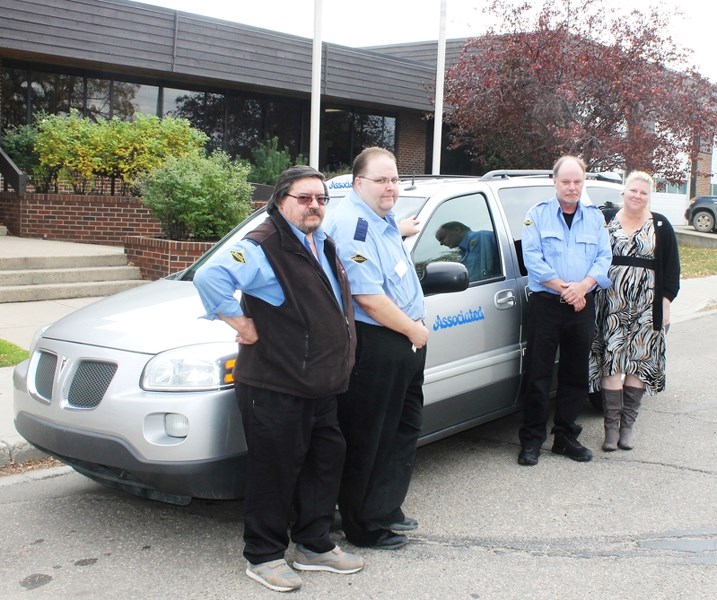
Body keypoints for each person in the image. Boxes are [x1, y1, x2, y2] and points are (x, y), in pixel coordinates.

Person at [193, 165, 363, 593]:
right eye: (304, 198)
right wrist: (243, 326)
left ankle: (314, 545)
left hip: (319, 383)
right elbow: (210, 276)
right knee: (275, 471)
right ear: (280, 200)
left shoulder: (319, 241)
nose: (314, 206)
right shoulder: (264, 243)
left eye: (321, 199)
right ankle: (264, 555)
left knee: (326, 462)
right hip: (275, 384)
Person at [325, 147, 428, 550]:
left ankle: (385, 508)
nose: (390, 187)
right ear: (357, 184)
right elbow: (367, 297)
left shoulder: (382, 221)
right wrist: (415, 331)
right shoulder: (355, 225)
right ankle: (364, 525)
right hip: (379, 342)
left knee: (401, 430)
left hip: (402, 339)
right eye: (381, 180)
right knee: (372, 437)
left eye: (394, 179)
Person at [517, 155, 612, 466]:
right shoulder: (537, 215)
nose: (572, 187)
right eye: (566, 181)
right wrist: (567, 289)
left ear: (582, 183)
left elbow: (603, 259)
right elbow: (533, 260)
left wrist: (582, 287)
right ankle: (531, 440)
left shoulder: (595, 218)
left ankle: (566, 438)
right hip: (547, 305)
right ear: (554, 181)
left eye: (577, 181)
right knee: (538, 375)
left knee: (575, 374)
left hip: (582, 305)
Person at [589, 171, 680, 451]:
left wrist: (665, 304)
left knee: (638, 362)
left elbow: (672, 270)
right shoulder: (605, 220)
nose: (637, 196)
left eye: (643, 192)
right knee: (611, 361)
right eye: (633, 191)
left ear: (648, 196)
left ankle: (627, 427)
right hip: (610, 304)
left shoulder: (661, 225)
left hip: (646, 304)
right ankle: (610, 430)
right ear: (623, 192)